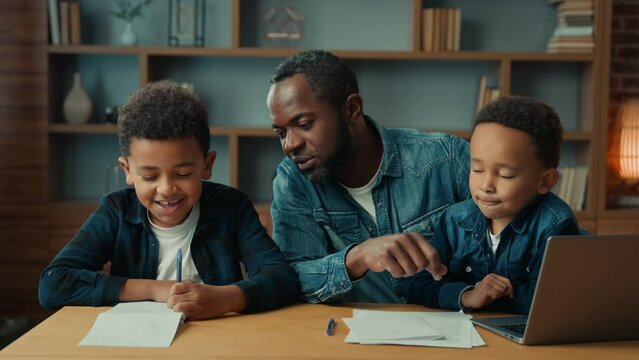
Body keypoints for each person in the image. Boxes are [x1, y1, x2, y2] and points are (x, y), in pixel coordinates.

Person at [39, 81, 299, 319]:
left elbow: (280, 278)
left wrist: (225, 298)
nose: (166, 189)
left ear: (207, 165)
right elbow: (54, 284)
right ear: (127, 170)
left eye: (183, 174)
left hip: (217, 341)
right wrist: (154, 290)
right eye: (150, 176)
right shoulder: (115, 212)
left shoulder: (232, 207)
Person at [266, 50, 470, 303]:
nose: (290, 145)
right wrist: (357, 258)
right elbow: (290, 279)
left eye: (305, 124)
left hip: (458, 332)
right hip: (351, 338)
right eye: (281, 133)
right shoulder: (293, 180)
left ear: (352, 109)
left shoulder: (446, 159)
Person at [400, 96, 580, 314]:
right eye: (476, 170)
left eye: (505, 175)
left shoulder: (555, 224)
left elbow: (547, 303)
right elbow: (413, 286)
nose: (485, 185)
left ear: (545, 181)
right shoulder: (455, 219)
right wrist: (467, 295)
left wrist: (486, 300)